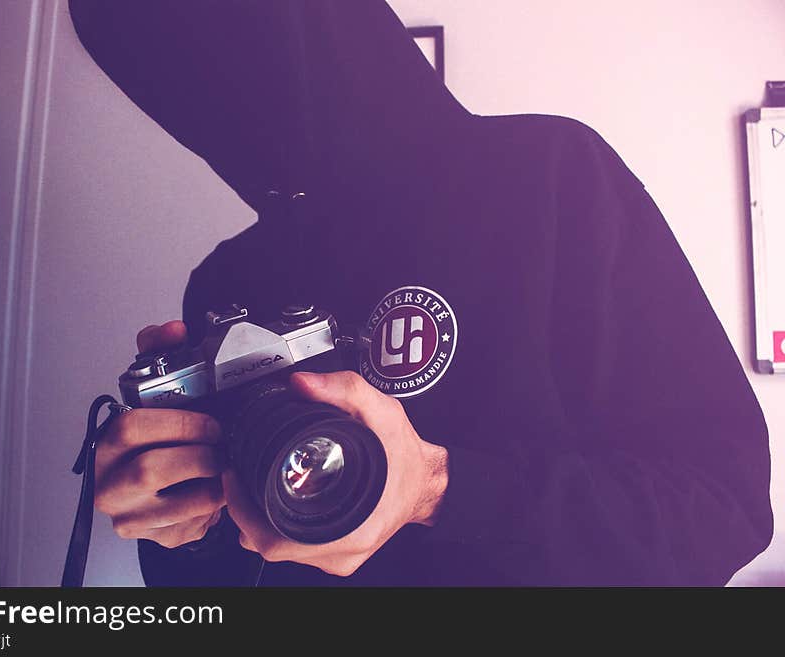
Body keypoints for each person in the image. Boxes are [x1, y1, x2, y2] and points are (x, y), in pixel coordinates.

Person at [68, 0, 773, 585]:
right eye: (180, 72)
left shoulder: (554, 178)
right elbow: (222, 579)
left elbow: (724, 511)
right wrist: (178, 527)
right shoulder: (225, 283)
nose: (222, 88)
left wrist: (440, 489)